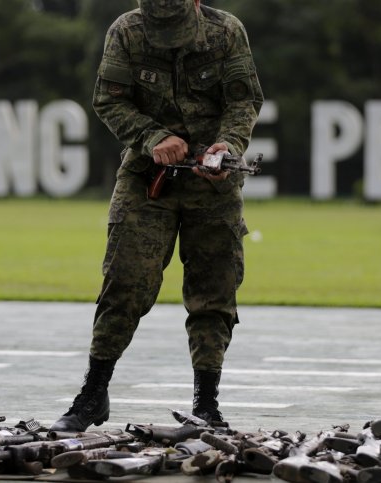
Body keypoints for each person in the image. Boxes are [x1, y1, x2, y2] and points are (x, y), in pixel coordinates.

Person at [50, 0, 263, 432]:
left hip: (213, 183)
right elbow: (109, 101)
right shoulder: (126, 32)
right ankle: (93, 394)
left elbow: (244, 102)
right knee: (125, 281)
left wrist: (227, 145)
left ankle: (206, 405)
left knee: (213, 290)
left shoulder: (227, 33)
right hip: (148, 178)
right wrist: (152, 137)